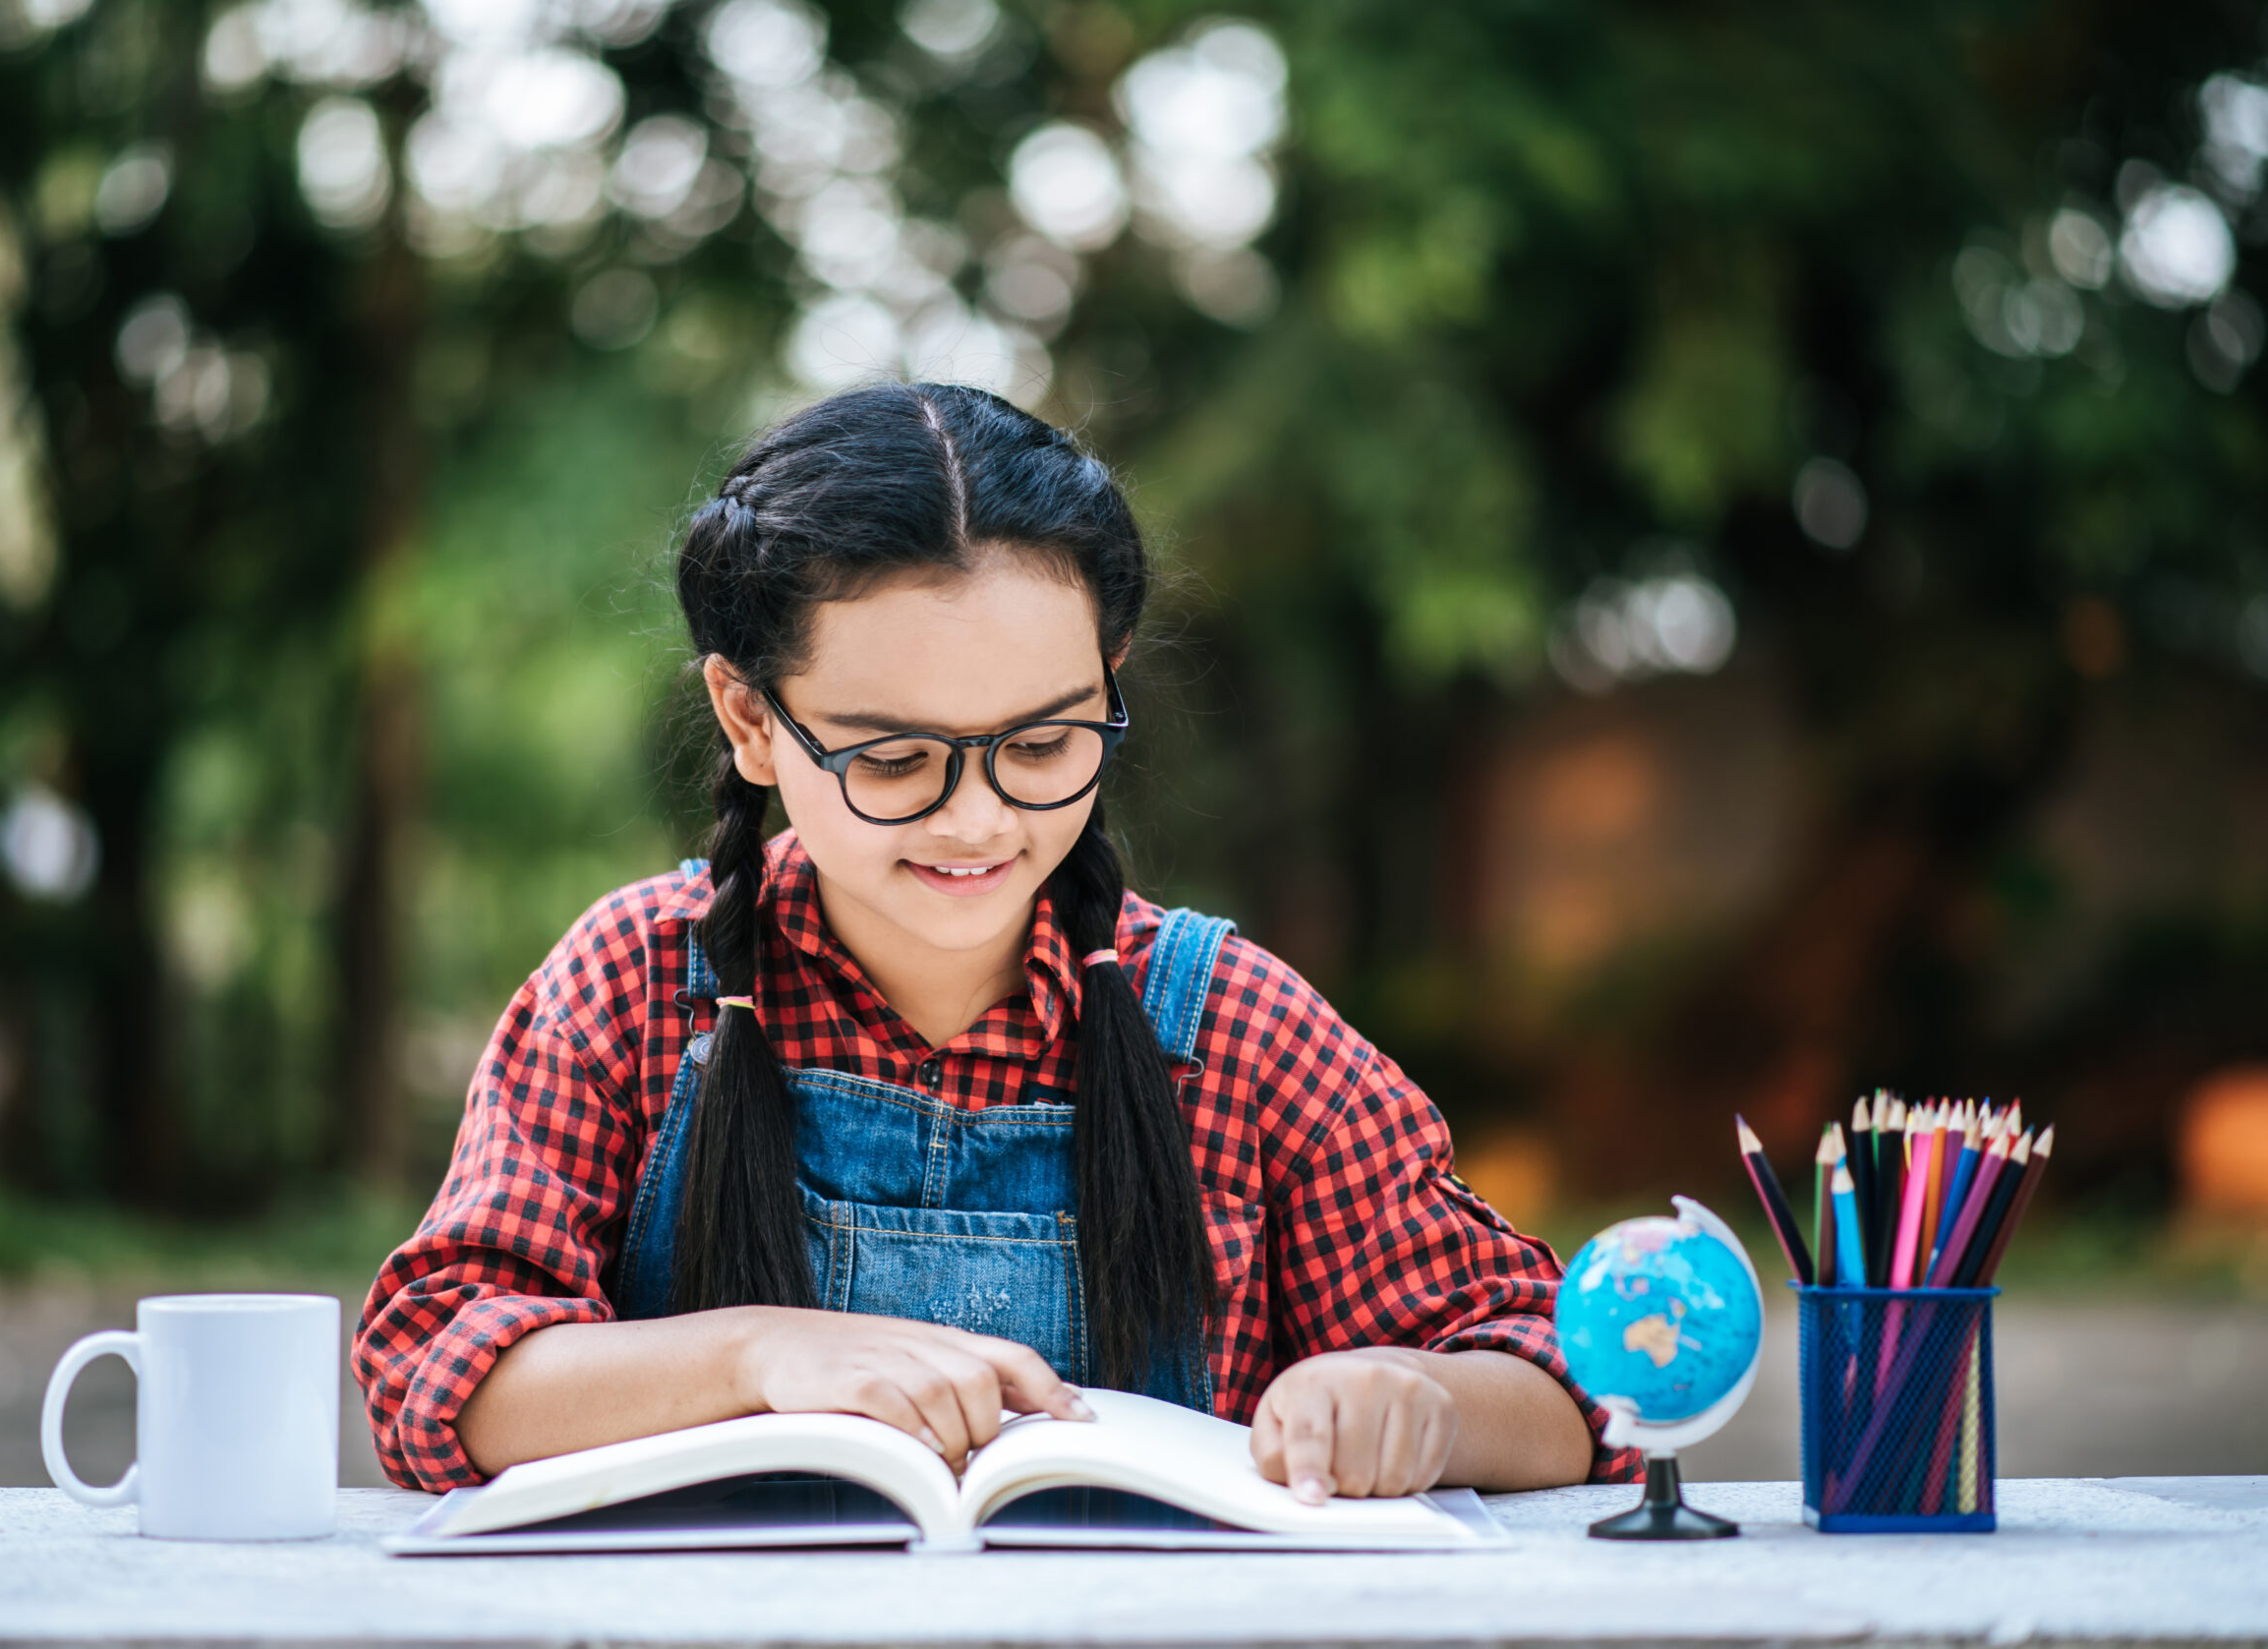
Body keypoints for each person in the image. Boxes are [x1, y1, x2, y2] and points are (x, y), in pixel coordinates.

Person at [356, 383, 1637, 1502]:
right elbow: (437, 1370)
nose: (979, 818)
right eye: (898, 757)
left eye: (1041, 744)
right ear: (750, 718)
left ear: (1109, 676)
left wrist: (1422, 1398)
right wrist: (758, 1356)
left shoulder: (1235, 1033)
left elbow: (1574, 1398)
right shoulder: (637, 986)